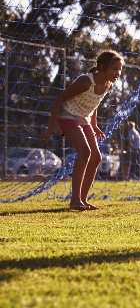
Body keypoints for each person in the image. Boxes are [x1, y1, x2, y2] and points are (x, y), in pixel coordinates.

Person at [41, 50, 124, 210]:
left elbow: (95, 104)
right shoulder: (86, 81)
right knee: (85, 152)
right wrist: (52, 126)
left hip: (83, 119)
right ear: (101, 67)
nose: (118, 73)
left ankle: (83, 200)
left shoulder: (108, 85)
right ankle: (75, 200)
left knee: (96, 157)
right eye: (114, 69)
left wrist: (94, 125)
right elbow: (60, 99)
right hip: (67, 116)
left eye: (120, 69)